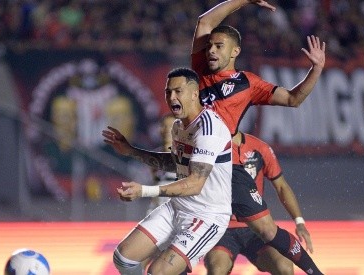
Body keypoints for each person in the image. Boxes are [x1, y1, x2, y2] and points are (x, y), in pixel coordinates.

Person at [191, 0, 326, 274]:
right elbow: (204, 23)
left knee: (267, 229)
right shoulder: (200, 72)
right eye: (210, 46)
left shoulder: (248, 83)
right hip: (197, 165)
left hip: (226, 167)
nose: (211, 50)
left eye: (219, 46)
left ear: (235, 51)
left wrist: (317, 69)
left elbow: (292, 99)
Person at [102, 67, 233, 275]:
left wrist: (144, 191)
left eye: (177, 91)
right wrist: (131, 151)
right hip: (176, 208)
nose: (171, 97)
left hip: (206, 217)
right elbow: (176, 163)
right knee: (123, 258)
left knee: (158, 272)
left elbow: (195, 183)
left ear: (194, 93)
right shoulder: (179, 127)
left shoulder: (208, 129)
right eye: (168, 92)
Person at [205, 131, 313, 275]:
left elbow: (281, 186)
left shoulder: (259, 148)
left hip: (255, 227)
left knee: (284, 267)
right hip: (220, 228)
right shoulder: (207, 148)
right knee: (217, 269)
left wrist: (299, 222)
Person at [146, 113, 176, 215]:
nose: (167, 130)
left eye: (171, 126)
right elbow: (155, 187)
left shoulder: (186, 157)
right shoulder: (153, 158)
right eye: (164, 126)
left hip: (179, 214)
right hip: (159, 213)